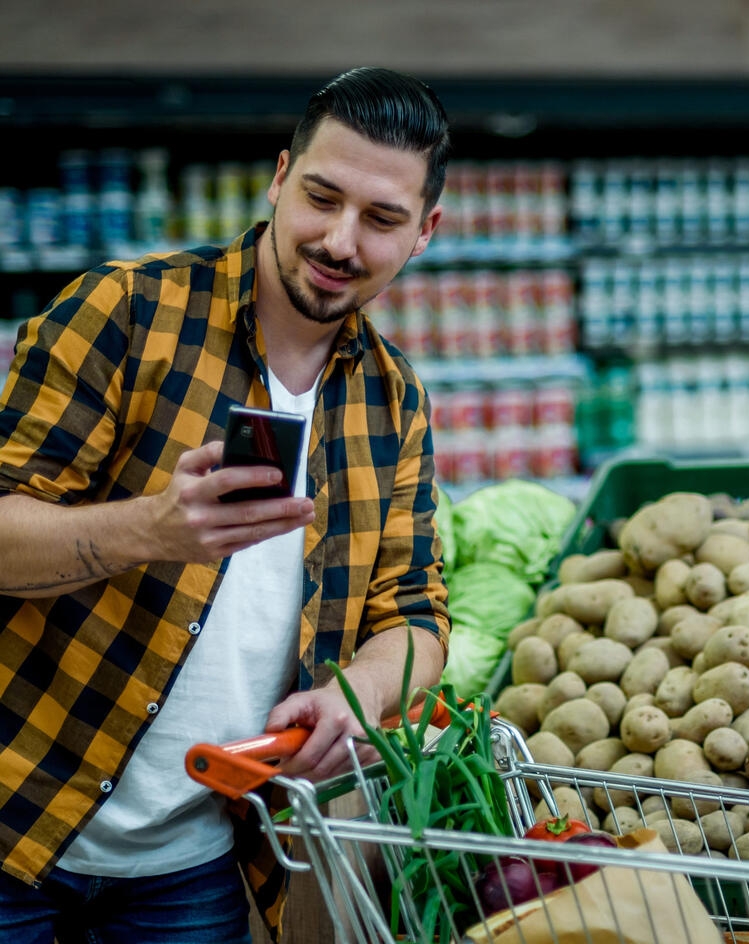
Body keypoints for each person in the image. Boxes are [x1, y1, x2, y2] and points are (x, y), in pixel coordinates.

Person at [0, 66, 451, 944]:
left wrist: (355, 692)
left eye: (382, 220)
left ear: (424, 232)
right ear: (279, 177)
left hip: (193, 865)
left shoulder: (394, 401)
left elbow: (418, 615)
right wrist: (151, 528)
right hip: (18, 826)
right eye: (321, 197)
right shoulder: (126, 313)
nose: (340, 240)